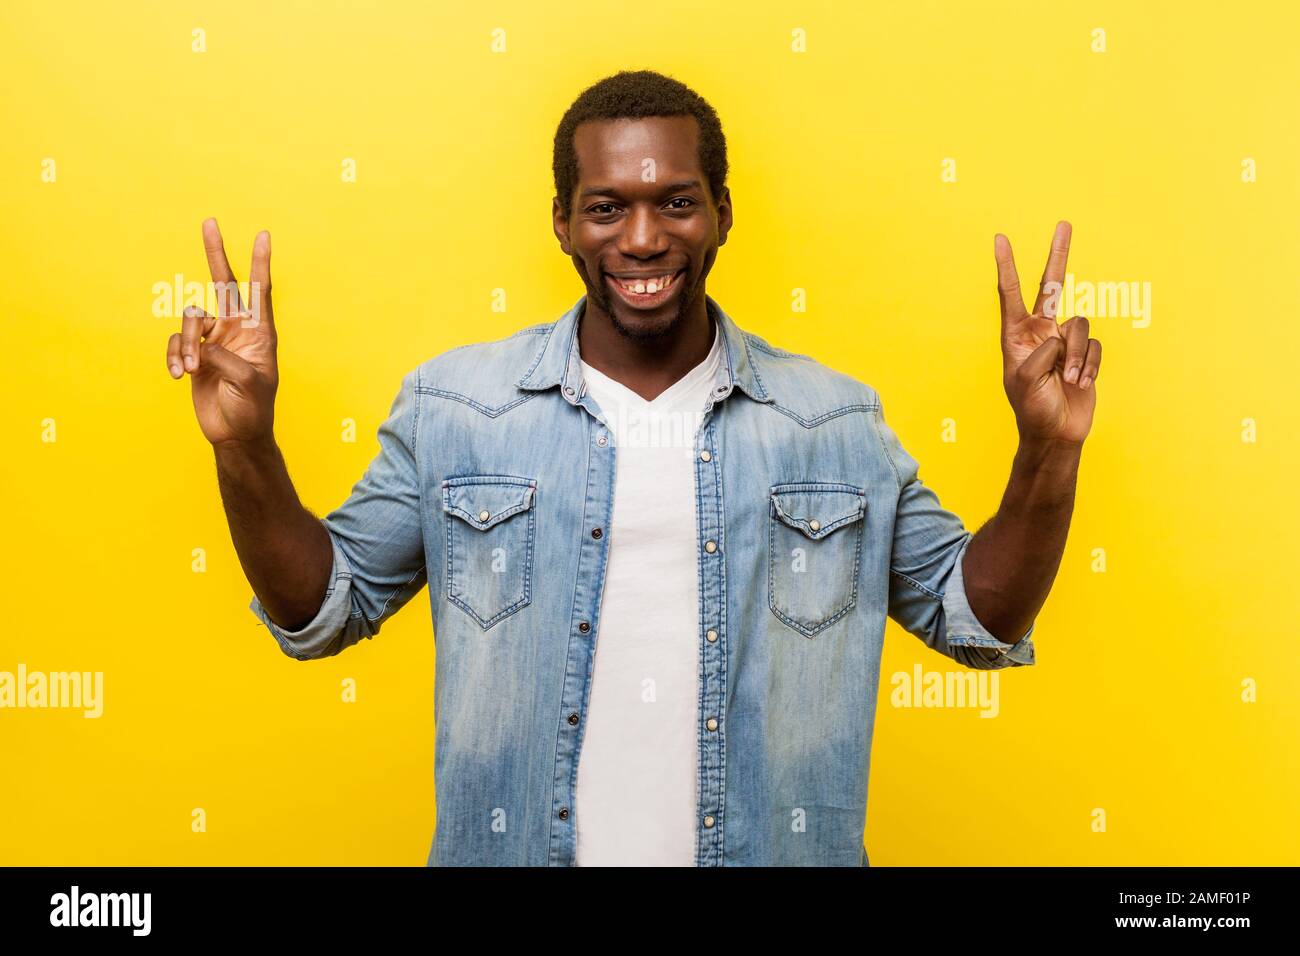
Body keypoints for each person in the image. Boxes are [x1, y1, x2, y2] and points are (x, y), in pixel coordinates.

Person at [164, 69, 1101, 867]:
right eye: (608, 207)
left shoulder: (833, 419)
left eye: (676, 202)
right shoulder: (455, 409)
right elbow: (322, 610)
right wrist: (246, 448)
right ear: (564, 223)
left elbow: (976, 619)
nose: (643, 238)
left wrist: (1046, 452)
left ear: (722, 214)